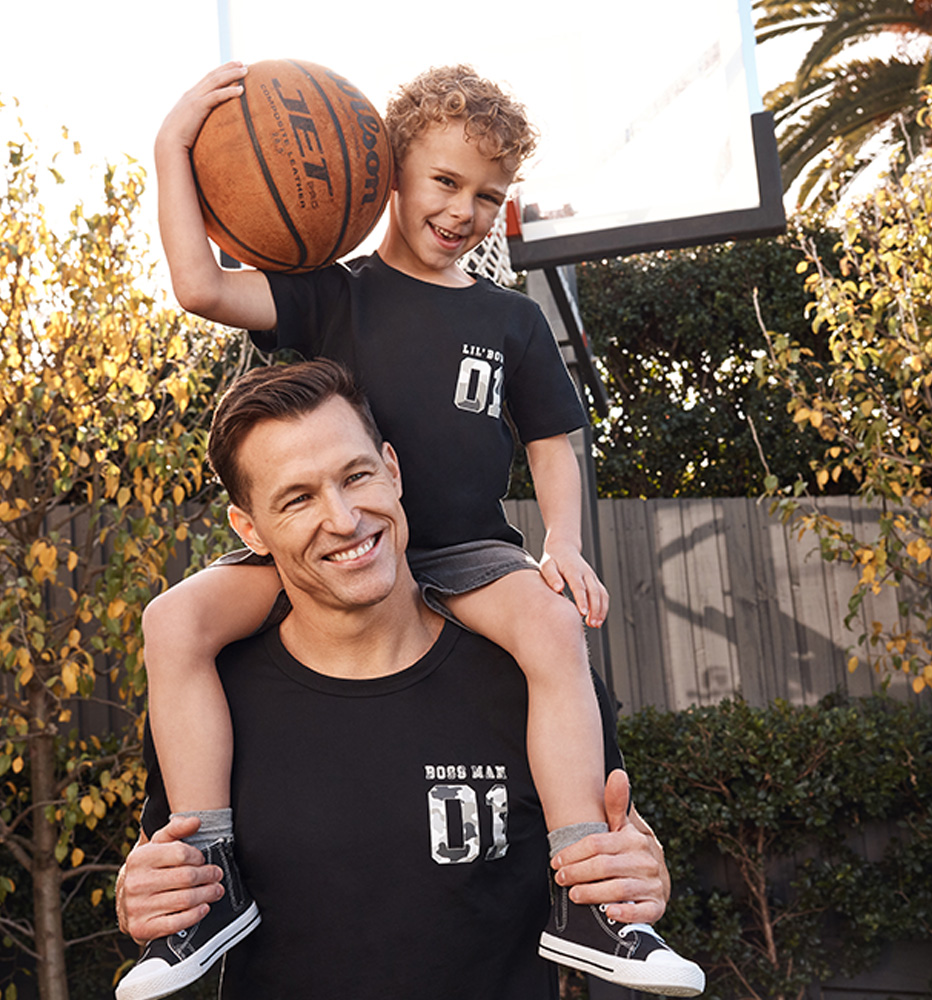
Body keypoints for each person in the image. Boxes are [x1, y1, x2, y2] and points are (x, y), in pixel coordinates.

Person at [125, 60, 704, 998]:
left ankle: (588, 892)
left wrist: (563, 545)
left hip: (467, 549)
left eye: (491, 195)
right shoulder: (330, 293)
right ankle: (212, 877)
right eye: (446, 181)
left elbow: (555, 439)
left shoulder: (507, 319)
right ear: (384, 171)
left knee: (556, 629)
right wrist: (172, 145)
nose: (467, 209)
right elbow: (199, 286)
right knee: (172, 621)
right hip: (335, 552)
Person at [115, 360, 705, 1000]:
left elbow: (620, 856)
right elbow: (164, 868)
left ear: (392, 471)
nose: (343, 519)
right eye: (298, 498)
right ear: (250, 530)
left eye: (356, 475)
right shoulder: (215, 693)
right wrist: (142, 898)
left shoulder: (532, 674)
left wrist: (643, 878)